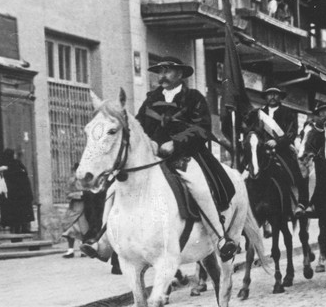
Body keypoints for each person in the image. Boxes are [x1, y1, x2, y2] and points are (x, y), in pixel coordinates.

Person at [83, 57, 237, 262]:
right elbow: (138, 127)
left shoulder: (193, 97)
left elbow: (201, 128)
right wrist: (150, 143)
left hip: (185, 154)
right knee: (114, 188)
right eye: (160, 71)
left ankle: (220, 237)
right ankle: (104, 241)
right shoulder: (151, 99)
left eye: (168, 71)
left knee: (198, 186)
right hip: (153, 157)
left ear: (180, 74)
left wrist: (176, 143)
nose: (162, 75)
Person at [250, 86, 309, 215]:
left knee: (295, 172)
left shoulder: (288, 113)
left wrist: (278, 142)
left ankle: (302, 203)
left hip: (282, 150)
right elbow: (254, 130)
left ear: (280, 97)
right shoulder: (258, 113)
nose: (272, 97)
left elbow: (291, 133)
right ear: (265, 97)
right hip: (262, 150)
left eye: (275, 94)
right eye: (269, 94)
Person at [0, 148, 35, 233]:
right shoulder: (16, 164)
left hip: (15, 194)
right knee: (21, 212)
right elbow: (24, 174)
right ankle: (23, 228)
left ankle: (18, 229)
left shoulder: (7, 165)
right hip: (22, 193)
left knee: (16, 212)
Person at [62, 163, 90, 258]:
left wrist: (85, 194)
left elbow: (92, 191)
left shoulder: (87, 180)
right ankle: (70, 250)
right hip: (74, 207)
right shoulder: (71, 181)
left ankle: (83, 250)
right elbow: (67, 194)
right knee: (70, 228)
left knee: (83, 229)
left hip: (85, 207)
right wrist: (79, 194)